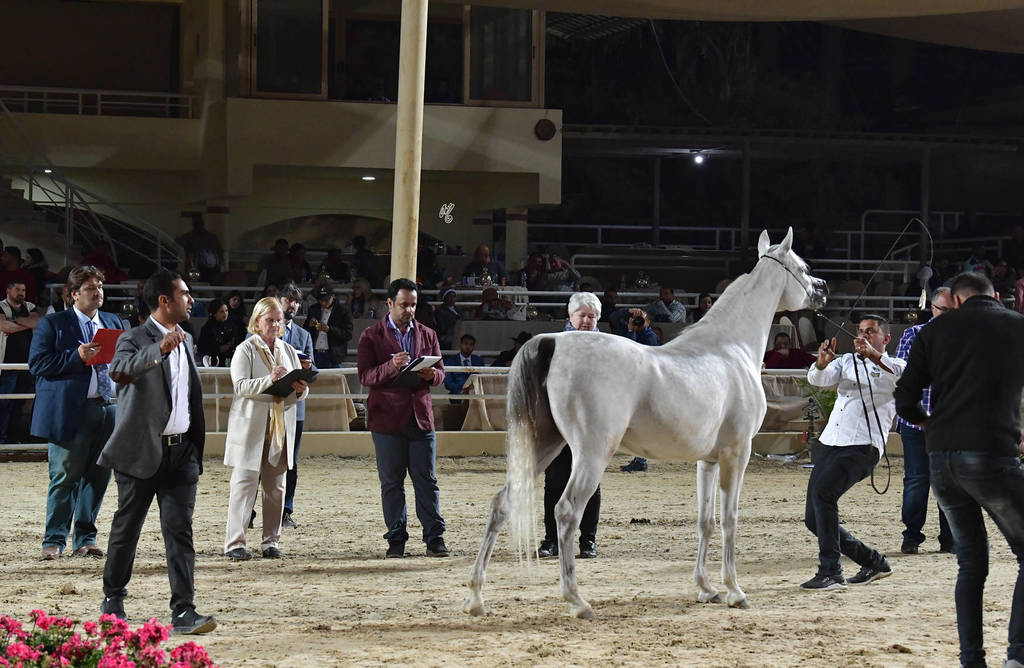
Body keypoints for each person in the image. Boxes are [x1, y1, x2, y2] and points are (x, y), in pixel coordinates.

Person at [894, 272, 1024, 668]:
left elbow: (904, 399)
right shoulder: (1017, 327)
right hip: (992, 454)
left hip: (942, 459)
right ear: (996, 296)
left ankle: (972, 660)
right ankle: (1017, 656)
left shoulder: (932, 331)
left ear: (954, 299)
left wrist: (928, 423)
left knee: (971, 563)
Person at [97, 269, 216, 635]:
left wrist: (195, 446)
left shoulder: (188, 339)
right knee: (126, 527)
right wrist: (157, 351)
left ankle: (183, 610)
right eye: (184, 294)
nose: (190, 299)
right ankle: (113, 597)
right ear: (164, 300)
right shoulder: (132, 338)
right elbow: (119, 371)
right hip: (140, 453)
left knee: (179, 532)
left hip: (182, 454)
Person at [800, 316, 905, 591]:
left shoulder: (897, 366)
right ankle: (872, 561)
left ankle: (831, 571)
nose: (864, 336)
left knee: (824, 494)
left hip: (862, 445)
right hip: (830, 442)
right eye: (861, 331)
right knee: (813, 518)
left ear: (886, 338)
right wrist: (821, 363)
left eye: (870, 332)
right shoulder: (847, 361)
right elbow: (818, 379)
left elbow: (897, 375)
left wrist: (872, 355)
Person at [29, 266, 118, 560]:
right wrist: (75, 358)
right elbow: (38, 364)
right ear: (73, 294)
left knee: (98, 478)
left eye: (100, 287)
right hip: (71, 413)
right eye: (91, 288)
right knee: (65, 478)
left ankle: (86, 538)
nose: (98, 293)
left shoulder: (113, 321)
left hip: (108, 409)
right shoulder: (53, 324)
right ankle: (53, 541)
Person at [356, 278, 448, 559]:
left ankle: (435, 538)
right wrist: (390, 366)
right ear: (389, 303)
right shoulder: (370, 336)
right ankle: (396, 539)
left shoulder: (428, 334)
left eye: (414, 305)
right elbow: (365, 376)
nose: (409, 310)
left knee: (427, 481)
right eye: (404, 305)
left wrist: (432, 375)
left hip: (421, 418)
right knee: (392, 483)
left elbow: (441, 372)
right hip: (386, 421)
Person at [223, 298, 310, 561]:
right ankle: (235, 543)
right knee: (244, 484)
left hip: (280, 425)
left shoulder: (288, 350)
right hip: (251, 424)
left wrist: (301, 389)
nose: (274, 324)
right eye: (269, 319)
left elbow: (298, 390)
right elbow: (240, 387)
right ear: (257, 321)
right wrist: (269, 380)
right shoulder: (245, 349)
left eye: (278, 320)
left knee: (276, 487)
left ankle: (271, 541)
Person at [539, 292, 604, 559]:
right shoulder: (554, 344)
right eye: (582, 315)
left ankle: (588, 540)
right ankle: (551, 540)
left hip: (593, 426)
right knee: (554, 481)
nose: (587, 321)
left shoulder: (607, 346)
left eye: (592, 316)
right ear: (571, 316)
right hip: (559, 425)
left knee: (591, 482)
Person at [894, 286, 955, 555]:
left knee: (950, 481)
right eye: (943, 310)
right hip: (917, 422)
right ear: (932, 308)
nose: (948, 315)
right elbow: (905, 373)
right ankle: (912, 537)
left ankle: (950, 539)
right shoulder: (913, 334)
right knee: (917, 480)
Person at [278, 284, 314, 528]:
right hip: (268, 405)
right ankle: (249, 511)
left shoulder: (304, 335)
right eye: (288, 300)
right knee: (259, 460)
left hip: (296, 407)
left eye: (296, 302)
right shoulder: (259, 332)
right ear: (279, 300)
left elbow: (313, 371)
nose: (292, 305)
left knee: (291, 460)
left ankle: (286, 511)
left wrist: (309, 368)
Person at [0, 279, 40, 442]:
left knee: (20, 404)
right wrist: (27, 324)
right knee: (4, 403)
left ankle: (13, 438)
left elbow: (38, 321)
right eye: (17, 289)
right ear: (8, 291)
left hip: (26, 364)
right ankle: (2, 438)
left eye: (23, 290)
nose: (21, 293)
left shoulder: (30, 306)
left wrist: (15, 321)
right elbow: (5, 327)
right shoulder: (1, 306)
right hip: (6, 363)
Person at [305, 285, 353, 369]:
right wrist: (310, 325)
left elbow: (348, 334)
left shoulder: (343, 311)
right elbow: (305, 331)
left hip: (333, 356)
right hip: (315, 354)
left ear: (333, 296)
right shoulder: (313, 309)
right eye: (321, 300)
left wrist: (329, 329)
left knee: (335, 380)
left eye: (326, 300)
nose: (323, 303)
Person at [177, 216, 222, 283]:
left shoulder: (192, 236)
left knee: (201, 282)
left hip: (203, 266)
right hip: (201, 266)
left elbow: (217, 251)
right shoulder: (191, 236)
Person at [196, 299, 240, 367]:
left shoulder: (231, 326)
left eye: (226, 311)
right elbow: (202, 348)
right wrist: (219, 349)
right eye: (221, 312)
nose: (225, 314)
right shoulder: (208, 328)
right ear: (215, 313)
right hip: (212, 362)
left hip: (230, 360)